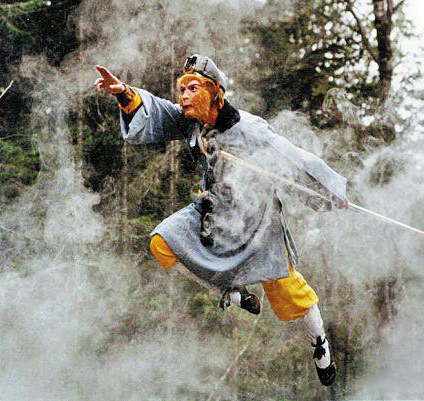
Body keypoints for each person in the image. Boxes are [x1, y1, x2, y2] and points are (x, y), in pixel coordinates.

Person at [94, 55, 348, 386]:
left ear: (215, 93)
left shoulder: (249, 129)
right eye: (182, 89)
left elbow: (294, 161)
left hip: (256, 221)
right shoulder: (191, 121)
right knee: (162, 242)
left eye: (193, 88)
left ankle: (319, 342)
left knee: (289, 293)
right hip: (213, 212)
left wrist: (330, 192)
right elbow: (158, 111)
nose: (184, 96)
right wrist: (124, 93)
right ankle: (232, 291)